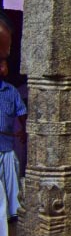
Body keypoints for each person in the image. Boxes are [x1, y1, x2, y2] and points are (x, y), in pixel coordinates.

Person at [0, 14, 25, 220]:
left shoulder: (10, 91)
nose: (4, 69)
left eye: (5, 60)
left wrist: (23, 131)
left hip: (6, 149)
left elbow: (21, 113)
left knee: (9, 200)